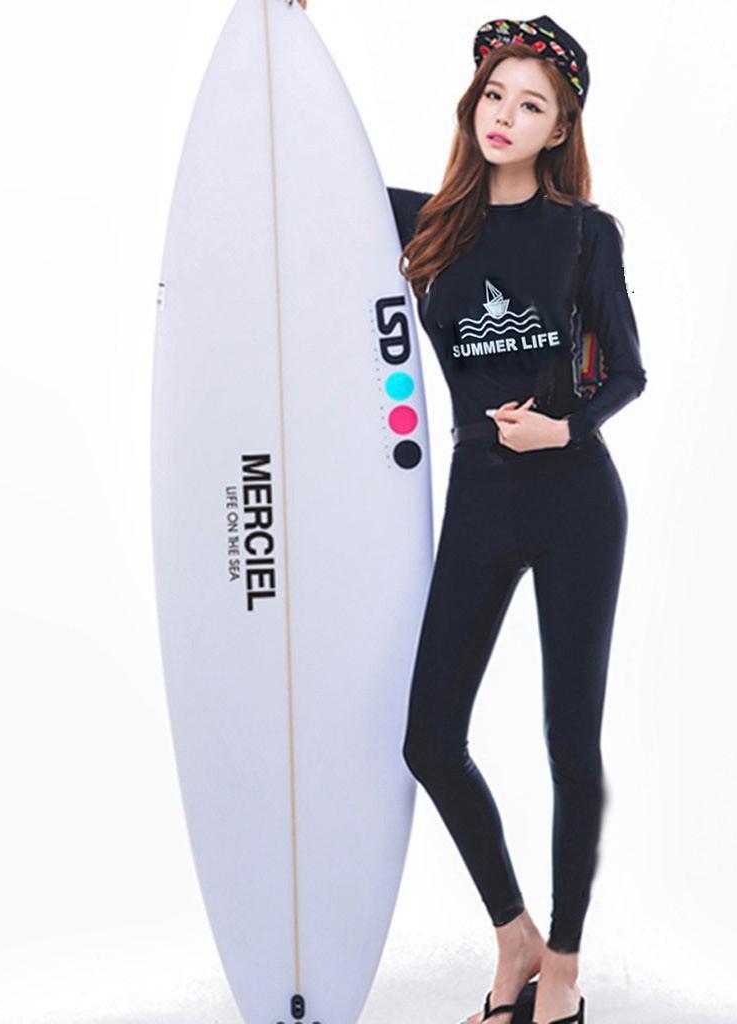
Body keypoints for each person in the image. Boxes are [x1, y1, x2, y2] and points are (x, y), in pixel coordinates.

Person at [299, 7, 647, 1024]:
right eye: (494, 94)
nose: (504, 115)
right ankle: (514, 936)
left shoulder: (586, 233)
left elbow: (628, 371)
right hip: (481, 502)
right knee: (428, 738)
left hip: (577, 502)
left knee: (569, 744)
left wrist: (565, 427)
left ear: (559, 128)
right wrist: (287, 42)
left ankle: (563, 969)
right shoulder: (428, 224)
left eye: (530, 105)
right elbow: (308, 173)